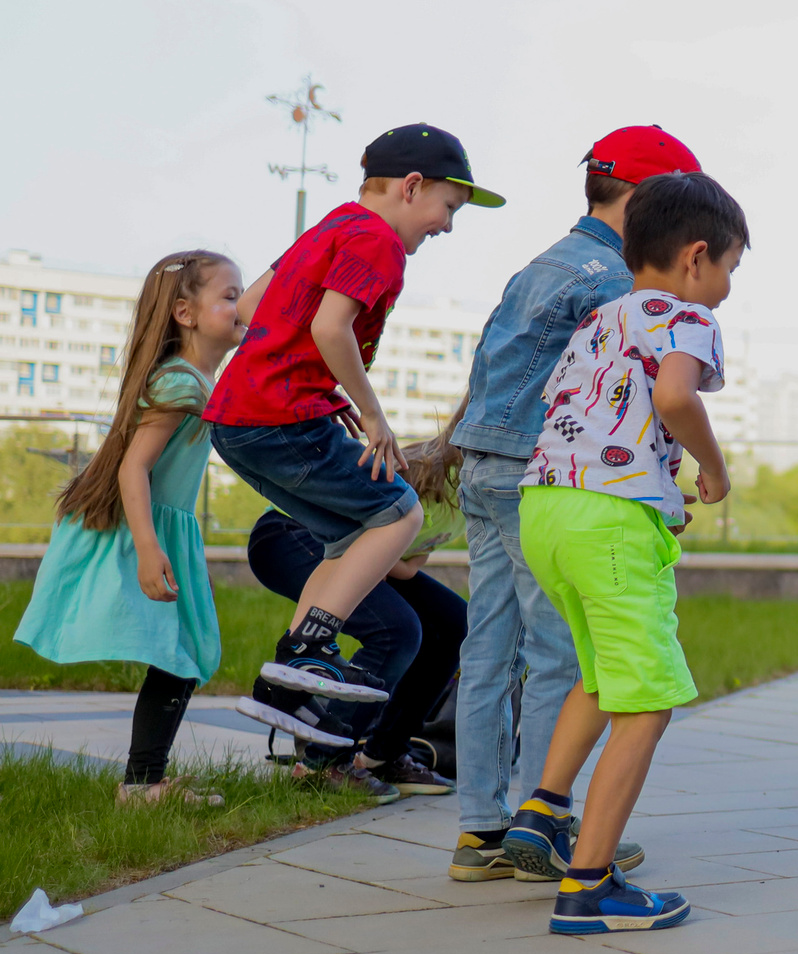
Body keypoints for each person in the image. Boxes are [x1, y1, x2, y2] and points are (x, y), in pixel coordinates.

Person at [446, 125, 701, 883]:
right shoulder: (615, 280)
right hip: (551, 476)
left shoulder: (541, 265)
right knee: (561, 651)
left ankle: (478, 828)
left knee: (486, 647)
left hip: (483, 463)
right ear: (653, 201)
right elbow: (639, 391)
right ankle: (543, 821)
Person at [500, 171, 745, 933]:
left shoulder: (601, 318)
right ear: (696, 258)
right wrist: (711, 466)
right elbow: (675, 397)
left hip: (545, 508)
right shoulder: (688, 316)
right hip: (607, 522)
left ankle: (543, 811)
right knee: (648, 701)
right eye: (732, 268)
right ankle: (590, 883)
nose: (728, 286)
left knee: (601, 675)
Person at [205, 125, 501, 736]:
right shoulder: (379, 241)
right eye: (448, 208)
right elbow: (331, 328)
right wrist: (371, 412)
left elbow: (253, 308)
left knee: (346, 534)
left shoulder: (332, 226)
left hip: (237, 422)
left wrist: (319, 383)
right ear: (412, 187)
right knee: (399, 513)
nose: (446, 226)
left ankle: (283, 683)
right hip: (280, 415)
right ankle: (308, 650)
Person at [12, 251, 242, 805]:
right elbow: (132, 466)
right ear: (186, 313)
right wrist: (148, 547)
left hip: (169, 529)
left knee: (182, 652)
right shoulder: (181, 383)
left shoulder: (197, 378)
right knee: (179, 653)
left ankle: (144, 780)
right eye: (229, 296)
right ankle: (142, 783)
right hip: (146, 527)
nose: (242, 307)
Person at [241, 508, 463, 803]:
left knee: (451, 623)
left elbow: (408, 567)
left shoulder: (490, 498)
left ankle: (383, 755)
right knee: (396, 630)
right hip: (297, 532)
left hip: (372, 550)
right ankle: (322, 764)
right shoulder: (437, 467)